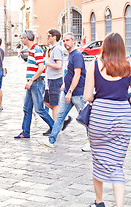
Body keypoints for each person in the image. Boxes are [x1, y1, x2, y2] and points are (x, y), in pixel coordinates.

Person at [84, 33, 131, 207]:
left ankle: (99, 202)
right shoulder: (128, 67)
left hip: (100, 117)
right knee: (117, 164)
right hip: (123, 117)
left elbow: (88, 96)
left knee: (98, 159)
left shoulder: (95, 65)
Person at [42, 32, 86, 147]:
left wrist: (70, 91)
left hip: (77, 93)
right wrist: (65, 87)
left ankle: (91, 142)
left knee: (85, 118)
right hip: (68, 92)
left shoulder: (77, 55)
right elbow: (69, 73)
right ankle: (51, 140)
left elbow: (77, 75)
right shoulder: (70, 55)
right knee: (60, 116)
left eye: (68, 40)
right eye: (64, 40)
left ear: (74, 41)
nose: (66, 42)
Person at [14, 30, 54, 139]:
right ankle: (25, 132)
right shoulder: (32, 50)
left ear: (26, 38)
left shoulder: (36, 50)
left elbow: (41, 68)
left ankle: (55, 127)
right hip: (32, 83)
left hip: (36, 83)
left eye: (22, 38)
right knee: (27, 108)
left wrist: (31, 80)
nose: (22, 40)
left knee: (39, 109)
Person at [43, 29, 64, 134]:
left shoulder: (56, 49)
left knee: (54, 104)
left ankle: (56, 128)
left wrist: (47, 63)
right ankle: (62, 118)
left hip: (55, 80)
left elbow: (58, 66)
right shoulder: (53, 48)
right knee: (46, 101)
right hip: (50, 80)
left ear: (54, 37)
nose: (47, 38)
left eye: (49, 36)